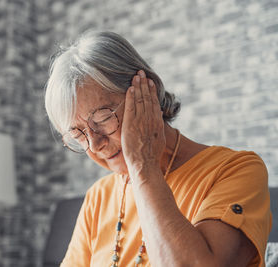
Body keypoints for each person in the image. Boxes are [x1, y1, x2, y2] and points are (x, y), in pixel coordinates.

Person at [44, 31, 271, 267]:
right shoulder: (98, 197)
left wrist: (143, 166)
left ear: (147, 92)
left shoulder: (237, 170)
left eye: (102, 119)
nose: (95, 144)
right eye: (78, 134)